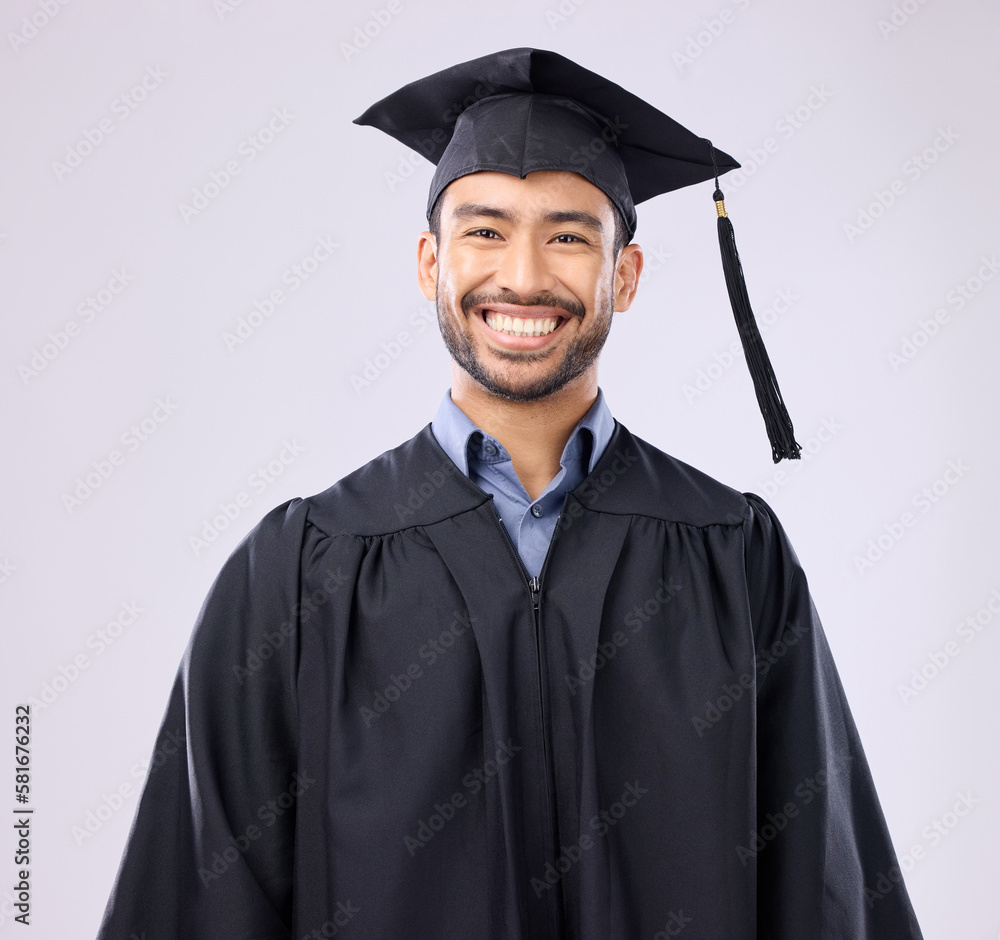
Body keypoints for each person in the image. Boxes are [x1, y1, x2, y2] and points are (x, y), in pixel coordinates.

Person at [97, 48, 923, 939]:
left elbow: (825, 894)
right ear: (429, 263)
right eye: (484, 231)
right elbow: (197, 899)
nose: (524, 277)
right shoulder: (300, 572)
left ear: (627, 275)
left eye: (568, 236)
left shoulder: (733, 554)